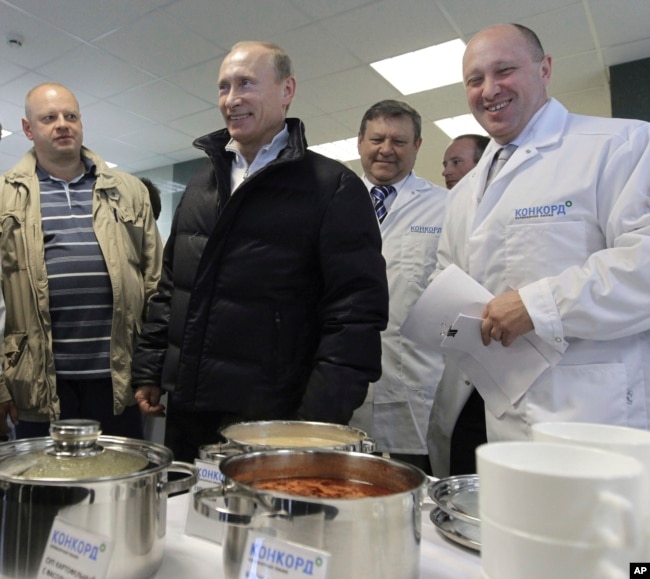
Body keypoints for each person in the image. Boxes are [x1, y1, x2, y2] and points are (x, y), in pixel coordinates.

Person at [131, 41, 389, 462]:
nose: (231, 100)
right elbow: (172, 288)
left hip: (275, 419)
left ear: (287, 90)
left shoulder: (333, 188)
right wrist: (150, 367)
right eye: (223, 87)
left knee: (264, 527)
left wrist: (318, 424)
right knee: (184, 524)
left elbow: (355, 317)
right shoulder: (201, 186)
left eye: (246, 84)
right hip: (190, 410)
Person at [427, 23, 650, 476]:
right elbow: (447, 274)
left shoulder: (620, 145)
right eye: (475, 80)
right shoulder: (464, 191)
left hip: (591, 410)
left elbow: (642, 263)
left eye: (504, 70)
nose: (489, 90)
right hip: (498, 409)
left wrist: (539, 305)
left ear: (544, 69)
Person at [0, 82, 162, 439]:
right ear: (28, 129)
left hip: (119, 381)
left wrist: (151, 370)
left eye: (70, 116)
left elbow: (156, 286)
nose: (62, 124)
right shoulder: (5, 197)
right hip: (38, 383)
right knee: (47, 491)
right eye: (49, 117)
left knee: (120, 484)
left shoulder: (129, 190)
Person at [349, 100, 447, 475]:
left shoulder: (446, 206)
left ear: (418, 145)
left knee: (416, 491)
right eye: (377, 138)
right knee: (347, 489)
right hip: (347, 381)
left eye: (399, 141)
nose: (386, 149)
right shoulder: (330, 202)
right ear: (360, 142)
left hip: (417, 385)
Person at [439, 133, 490, 475]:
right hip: (467, 361)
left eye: (456, 162)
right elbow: (444, 273)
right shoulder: (455, 206)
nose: (446, 171)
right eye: (445, 164)